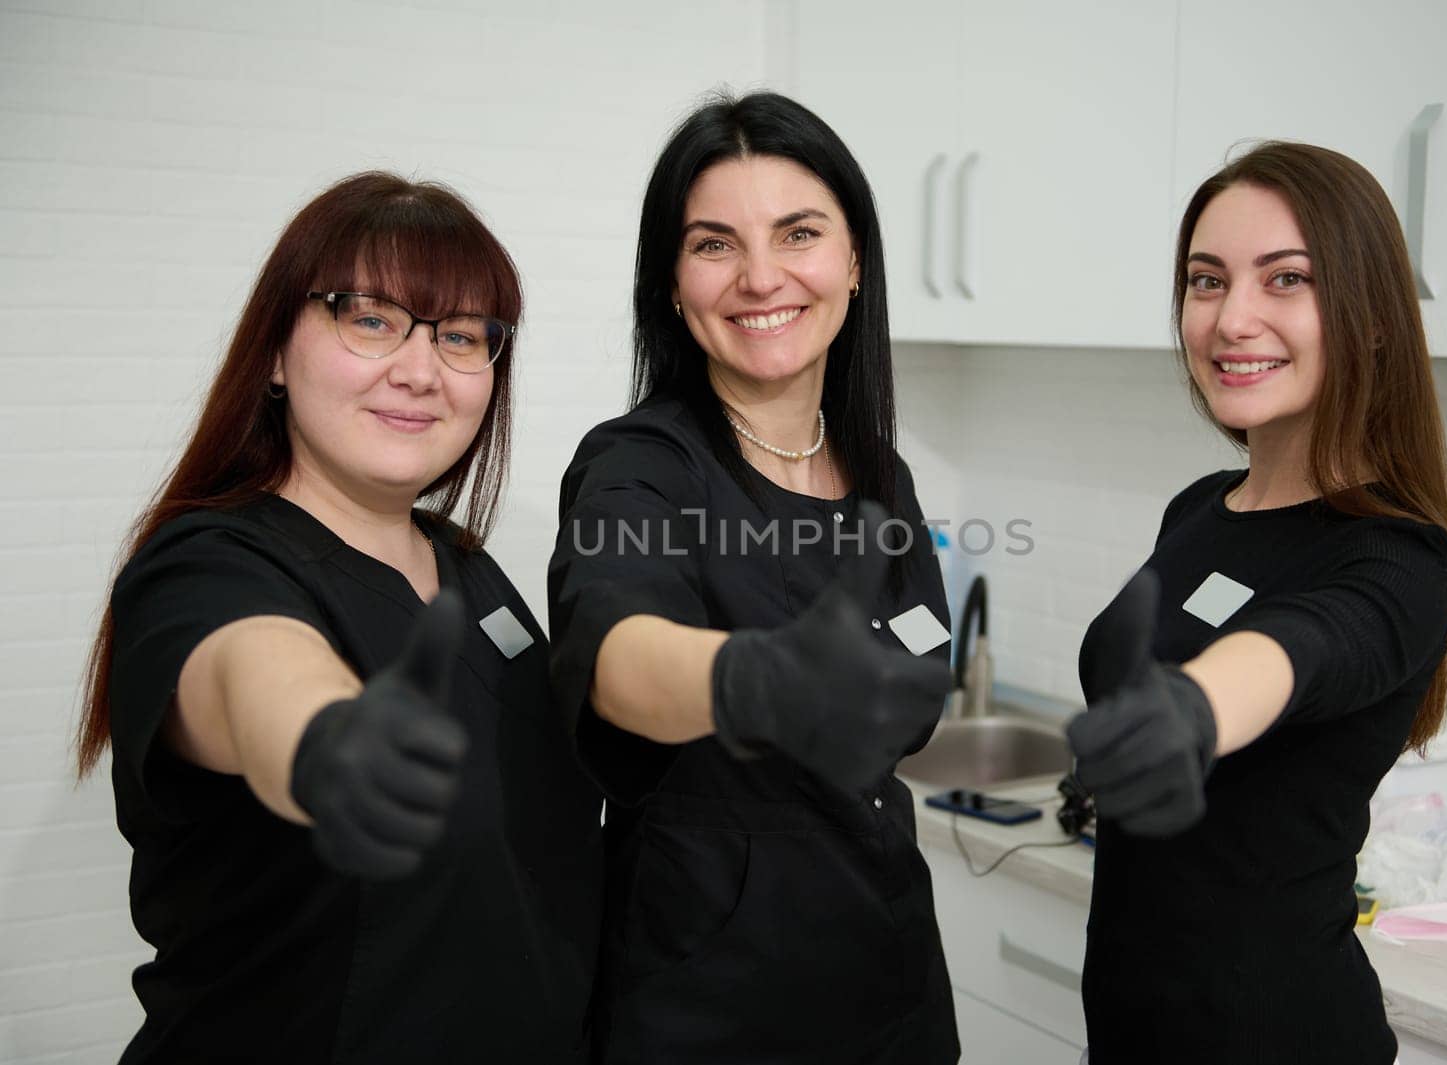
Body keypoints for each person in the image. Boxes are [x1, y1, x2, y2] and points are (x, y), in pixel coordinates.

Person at [75, 172, 603, 1064]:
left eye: (461, 335)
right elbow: (254, 674)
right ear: (276, 352)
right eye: (370, 317)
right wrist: (327, 743)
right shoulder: (209, 564)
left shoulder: (471, 574)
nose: (420, 369)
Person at [546, 91, 960, 1064]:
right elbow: (617, 648)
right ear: (673, 281)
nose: (760, 276)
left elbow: (914, 671)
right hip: (710, 989)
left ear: (853, 261)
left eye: (798, 233)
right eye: (714, 244)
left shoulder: (876, 471)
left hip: (886, 966)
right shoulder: (638, 466)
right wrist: (753, 679)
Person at [1065, 141, 1447, 1064]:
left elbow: (1298, 648)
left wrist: (1192, 706)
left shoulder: (1404, 558)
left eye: (1285, 279)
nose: (1231, 318)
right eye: (1206, 281)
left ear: (1371, 319)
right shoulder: (1197, 509)